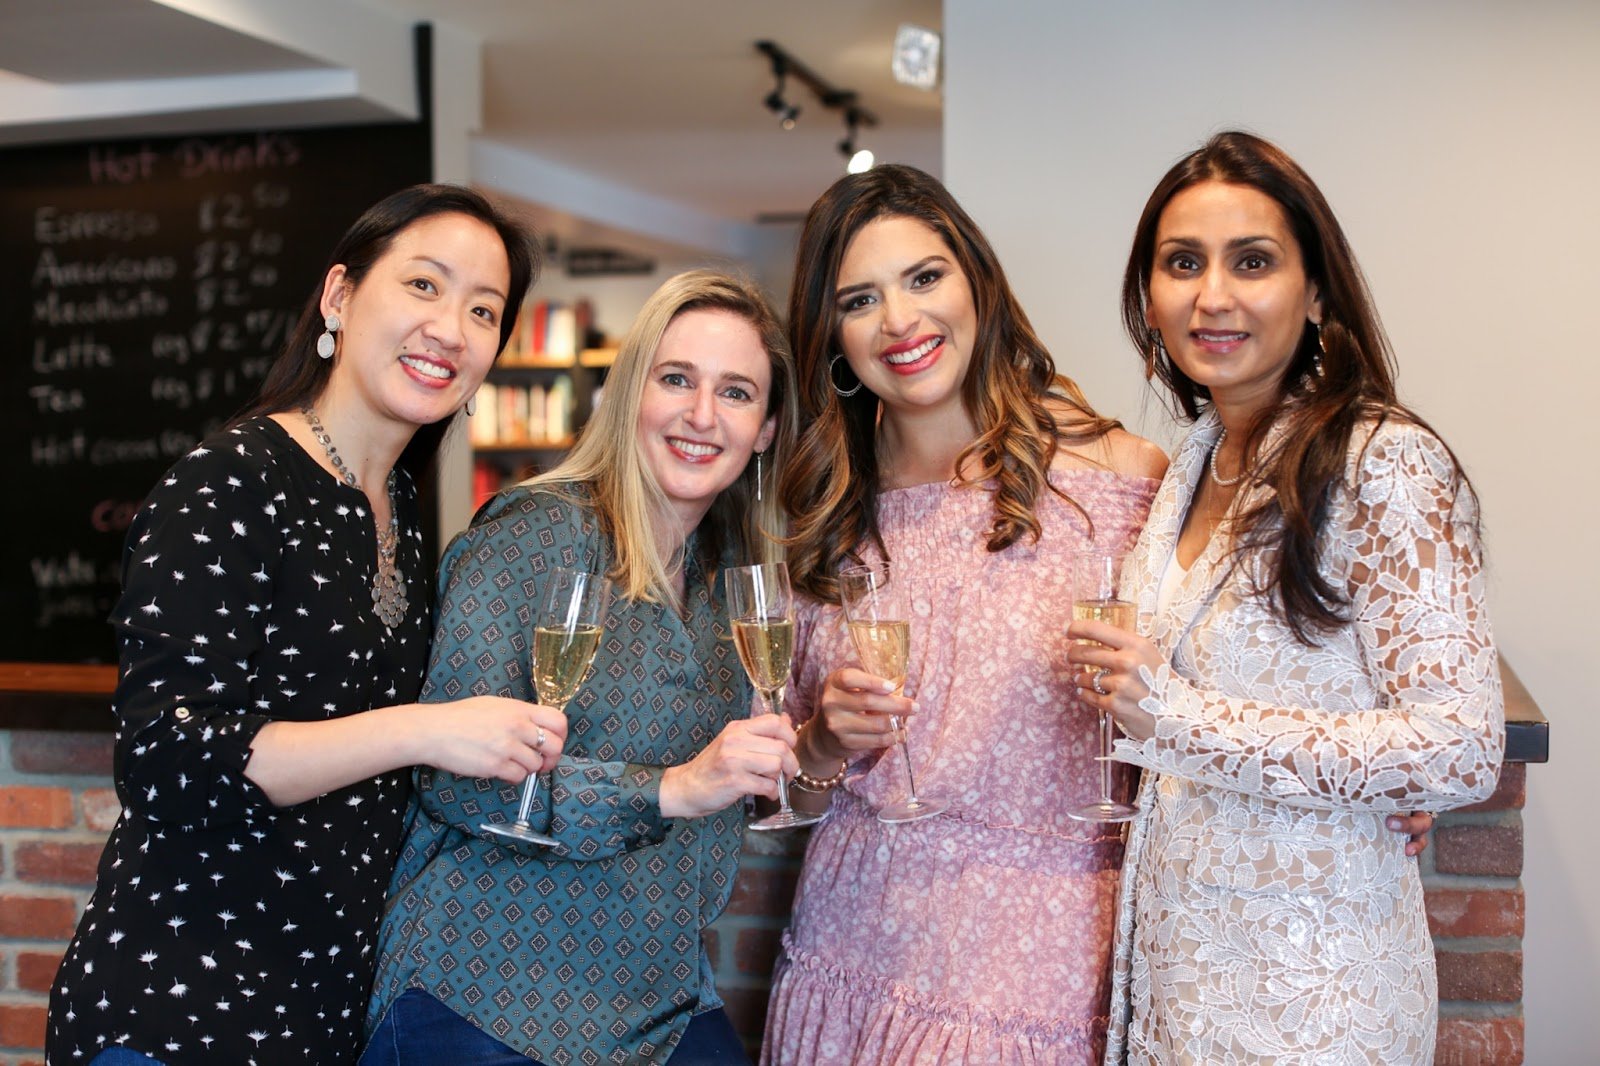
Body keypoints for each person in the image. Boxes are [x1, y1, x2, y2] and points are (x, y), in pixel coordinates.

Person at [47, 184, 563, 1066]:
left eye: (484, 310)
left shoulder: (398, 504)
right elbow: (170, 763)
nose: (451, 328)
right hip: (182, 1009)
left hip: (318, 1014)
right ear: (338, 296)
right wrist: (426, 731)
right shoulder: (227, 485)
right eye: (425, 286)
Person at [1068, 131, 1504, 1064]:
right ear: (1149, 296)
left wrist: (1177, 715)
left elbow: (1462, 747)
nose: (1211, 295)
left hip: (1315, 995)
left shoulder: (1382, 459)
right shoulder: (1195, 458)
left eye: (1252, 262)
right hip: (1181, 981)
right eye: (1181, 263)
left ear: (1314, 294)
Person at [759, 164, 1168, 1064]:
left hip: (1044, 956)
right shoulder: (825, 517)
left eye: (924, 277)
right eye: (860, 298)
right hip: (852, 944)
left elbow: (1214, 678)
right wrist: (822, 746)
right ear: (833, 334)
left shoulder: (1121, 480)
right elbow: (776, 785)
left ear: (977, 281)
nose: (900, 321)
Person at [361, 270, 800, 1066]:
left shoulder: (726, 578)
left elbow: (740, 787)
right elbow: (451, 779)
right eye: (676, 380)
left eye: (737, 393)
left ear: (766, 427)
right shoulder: (535, 534)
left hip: (658, 997)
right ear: (632, 392)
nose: (702, 415)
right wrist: (673, 788)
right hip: (486, 996)